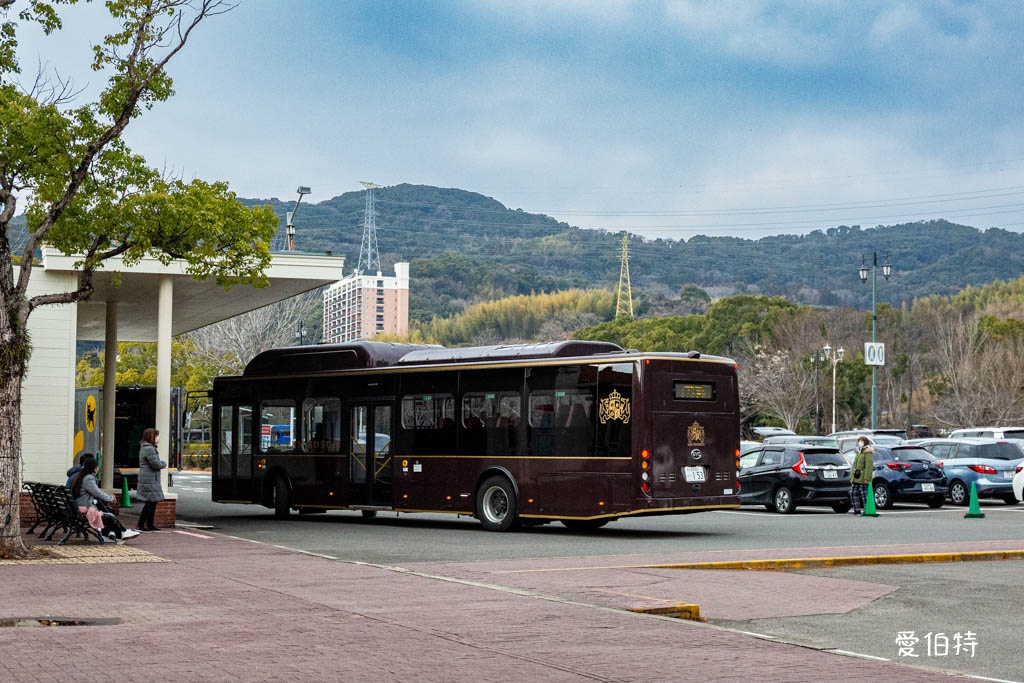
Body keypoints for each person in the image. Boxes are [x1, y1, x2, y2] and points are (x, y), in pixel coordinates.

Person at [69, 454, 139, 543]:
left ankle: (112, 533)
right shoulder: (88, 478)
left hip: (77, 507)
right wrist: (110, 498)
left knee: (106, 509)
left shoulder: (80, 476)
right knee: (109, 515)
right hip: (84, 508)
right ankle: (120, 533)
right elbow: (97, 493)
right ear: (94, 468)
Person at [136, 427, 167, 532]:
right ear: (152, 437)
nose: (158, 438)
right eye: (156, 436)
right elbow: (155, 464)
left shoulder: (146, 447)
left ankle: (150, 524)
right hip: (149, 479)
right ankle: (142, 524)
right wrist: (164, 463)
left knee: (152, 502)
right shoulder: (149, 449)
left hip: (149, 478)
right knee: (149, 503)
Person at [850, 436, 875, 515]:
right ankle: (856, 509)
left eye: (862, 441)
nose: (860, 443)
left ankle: (866, 509)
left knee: (864, 494)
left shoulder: (868, 452)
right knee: (853, 492)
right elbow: (854, 464)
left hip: (863, 476)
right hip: (856, 476)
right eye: (859, 441)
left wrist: (867, 478)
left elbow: (869, 466)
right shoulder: (858, 452)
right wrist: (852, 476)